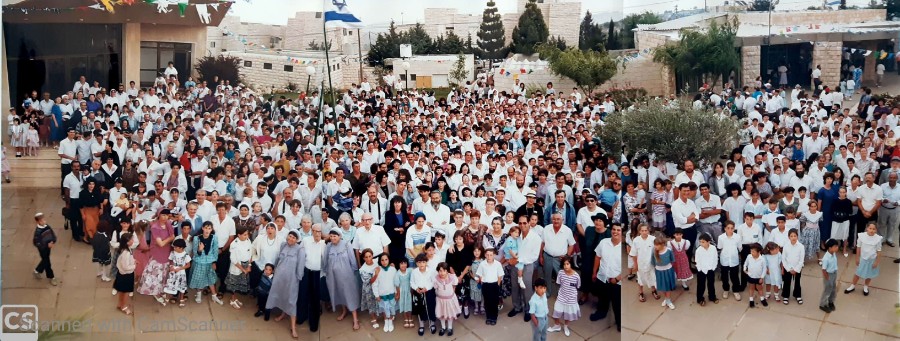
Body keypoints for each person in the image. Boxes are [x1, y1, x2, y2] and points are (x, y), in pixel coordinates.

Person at [266, 230, 306, 338]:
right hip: (279, 277)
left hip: (292, 279)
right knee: (280, 295)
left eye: (294, 237)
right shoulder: (283, 245)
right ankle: (282, 314)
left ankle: (293, 327)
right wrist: (273, 269)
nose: (291, 239)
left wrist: (298, 278)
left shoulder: (300, 250)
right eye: (290, 236)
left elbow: (300, 266)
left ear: (297, 239)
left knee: (291, 300)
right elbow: (278, 259)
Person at [323, 227, 361, 330]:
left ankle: (355, 318)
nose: (332, 238)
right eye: (331, 236)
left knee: (349, 294)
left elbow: (352, 260)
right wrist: (326, 272)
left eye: (334, 236)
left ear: (339, 236)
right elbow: (325, 260)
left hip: (346, 275)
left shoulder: (346, 245)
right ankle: (344, 311)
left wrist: (354, 272)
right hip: (333, 276)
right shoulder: (328, 246)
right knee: (339, 293)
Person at [139, 209, 175, 303]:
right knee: (156, 274)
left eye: (167, 215)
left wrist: (170, 238)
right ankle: (155, 292)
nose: (165, 217)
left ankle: (161, 290)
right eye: (163, 215)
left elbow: (172, 236)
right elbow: (161, 243)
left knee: (164, 273)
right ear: (159, 215)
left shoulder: (168, 224)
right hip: (157, 253)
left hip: (167, 252)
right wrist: (170, 238)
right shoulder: (155, 227)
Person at [844, 222, 882, 296]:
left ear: (876, 230)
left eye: (874, 229)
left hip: (872, 260)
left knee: (869, 274)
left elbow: (879, 251)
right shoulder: (862, 236)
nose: (872, 230)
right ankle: (852, 286)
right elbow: (858, 248)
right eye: (870, 228)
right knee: (858, 273)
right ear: (867, 229)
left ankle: (866, 286)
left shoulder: (878, 239)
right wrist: (857, 258)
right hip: (863, 259)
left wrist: (877, 262)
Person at [189, 221, 222, 304]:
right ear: (203, 228)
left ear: (211, 229)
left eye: (209, 228)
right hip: (199, 262)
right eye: (206, 228)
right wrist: (200, 250)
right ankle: (198, 295)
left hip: (210, 262)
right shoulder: (197, 238)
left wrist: (214, 262)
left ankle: (214, 296)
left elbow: (215, 251)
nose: (207, 230)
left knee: (210, 279)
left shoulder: (214, 237)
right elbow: (195, 254)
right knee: (199, 279)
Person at [547, 256, 580, 336]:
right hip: (561, 297)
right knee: (556, 312)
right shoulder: (561, 273)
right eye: (564, 264)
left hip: (571, 299)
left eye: (568, 264)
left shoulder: (576, 276)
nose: (566, 266)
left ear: (571, 264)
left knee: (568, 315)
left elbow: (577, 286)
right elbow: (559, 283)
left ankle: (566, 326)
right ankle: (557, 325)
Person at [475, 248, 504, 326]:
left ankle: (494, 317)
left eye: (491, 255)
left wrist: (497, 284)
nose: (489, 256)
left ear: (494, 255)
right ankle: (488, 317)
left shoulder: (498, 264)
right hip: (486, 285)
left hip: (494, 285)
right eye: (487, 255)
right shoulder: (482, 264)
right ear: (485, 255)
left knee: (494, 301)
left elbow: (500, 275)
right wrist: (482, 282)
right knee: (487, 301)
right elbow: (480, 274)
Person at [226, 228, 253, 309]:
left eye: (247, 234)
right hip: (237, 267)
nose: (246, 236)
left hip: (246, 265)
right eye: (244, 234)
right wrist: (243, 269)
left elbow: (250, 253)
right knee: (234, 284)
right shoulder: (234, 244)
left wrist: (249, 265)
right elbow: (234, 260)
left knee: (239, 284)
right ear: (239, 235)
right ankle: (232, 300)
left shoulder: (248, 240)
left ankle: (235, 298)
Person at [630, 223, 657, 302]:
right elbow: (634, 254)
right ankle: (641, 292)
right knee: (640, 279)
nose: (644, 232)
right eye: (642, 231)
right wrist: (636, 265)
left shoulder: (653, 239)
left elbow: (657, 251)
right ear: (639, 231)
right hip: (640, 263)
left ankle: (654, 291)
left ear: (649, 231)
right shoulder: (636, 240)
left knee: (652, 277)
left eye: (646, 230)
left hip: (651, 263)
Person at [161, 238, 191, 307]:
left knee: (181, 286)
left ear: (181, 248)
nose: (174, 248)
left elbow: (188, 265)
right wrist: (170, 267)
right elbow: (170, 261)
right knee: (170, 284)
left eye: (175, 247)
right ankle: (167, 298)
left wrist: (180, 268)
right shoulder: (173, 253)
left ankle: (181, 299)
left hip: (181, 273)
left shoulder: (185, 255)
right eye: (174, 247)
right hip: (173, 272)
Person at [433, 261, 461, 336]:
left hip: (449, 300)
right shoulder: (436, 279)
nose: (442, 273)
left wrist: (451, 294)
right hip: (440, 300)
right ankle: (443, 327)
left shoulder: (452, 277)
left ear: (447, 271)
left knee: (449, 314)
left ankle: (449, 327)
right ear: (438, 271)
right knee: (441, 314)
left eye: (444, 270)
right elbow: (435, 287)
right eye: (440, 271)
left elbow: (454, 285)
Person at [32, 212, 59, 286]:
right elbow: (36, 243)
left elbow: (52, 235)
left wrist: (53, 241)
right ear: (38, 222)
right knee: (47, 262)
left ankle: (37, 270)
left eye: (44, 219)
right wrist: (46, 245)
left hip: (48, 248)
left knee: (45, 261)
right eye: (41, 220)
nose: (44, 221)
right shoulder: (38, 232)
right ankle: (51, 277)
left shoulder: (47, 226)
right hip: (43, 249)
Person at [373, 253, 398, 332]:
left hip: (391, 293)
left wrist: (397, 292)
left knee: (390, 308)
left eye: (386, 259)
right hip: (382, 294)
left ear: (389, 260)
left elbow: (396, 282)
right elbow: (375, 284)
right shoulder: (377, 270)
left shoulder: (393, 269)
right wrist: (376, 295)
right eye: (382, 260)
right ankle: (386, 321)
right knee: (384, 308)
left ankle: (390, 321)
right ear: (380, 261)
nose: (384, 262)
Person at [114, 232, 136, 315]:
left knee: (121, 291)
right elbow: (126, 266)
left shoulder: (125, 249)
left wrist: (133, 261)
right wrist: (134, 266)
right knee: (126, 292)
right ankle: (124, 306)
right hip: (126, 275)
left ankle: (120, 304)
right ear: (127, 242)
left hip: (122, 274)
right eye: (131, 240)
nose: (133, 241)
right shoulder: (126, 253)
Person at [781, 228, 805, 305]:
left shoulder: (801, 246)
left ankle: (797, 295)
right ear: (789, 237)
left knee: (797, 282)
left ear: (797, 237)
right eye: (791, 236)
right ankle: (786, 296)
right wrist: (788, 269)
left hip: (797, 268)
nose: (793, 237)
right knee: (787, 282)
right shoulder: (786, 246)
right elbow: (783, 259)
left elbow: (801, 260)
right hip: (788, 268)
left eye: (795, 236)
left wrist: (796, 269)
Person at [358, 248, 380, 330]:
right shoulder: (363, 269)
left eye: (369, 256)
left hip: (377, 286)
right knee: (371, 304)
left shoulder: (376, 261)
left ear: (372, 256)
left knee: (378, 302)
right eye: (366, 257)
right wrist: (376, 275)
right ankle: (373, 319)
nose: (368, 258)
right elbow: (369, 281)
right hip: (369, 288)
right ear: (363, 258)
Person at [694, 233, 719, 306]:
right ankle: (700, 299)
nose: (701, 243)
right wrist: (699, 269)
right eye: (700, 242)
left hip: (710, 269)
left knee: (711, 284)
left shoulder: (713, 248)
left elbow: (715, 258)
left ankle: (712, 297)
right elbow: (697, 261)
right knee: (701, 285)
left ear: (708, 242)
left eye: (703, 242)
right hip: (702, 270)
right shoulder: (698, 250)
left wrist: (713, 267)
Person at [743, 243, 768, 308]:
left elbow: (764, 269)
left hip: (758, 277)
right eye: (751, 251)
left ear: (759, 252)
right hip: (751, 276)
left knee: (760, 289)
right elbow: (745, 263)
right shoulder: (749, 256)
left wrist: (762, 277)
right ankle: (751, 300)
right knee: (751, 288)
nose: (751, 253)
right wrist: (744, 269)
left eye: (753, 251)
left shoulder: (762, 259)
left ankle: (762, 299)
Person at [819, 239, 840, 312]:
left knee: (833, 289)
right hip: (828, 275)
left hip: (834, 273)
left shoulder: (833, 253)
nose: (837, 248)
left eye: (837, 246)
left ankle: (831, 301)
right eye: (835, 246)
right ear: (830, 248)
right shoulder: (826, 258)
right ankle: (823, 304)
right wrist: (827, 278)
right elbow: (823, 269)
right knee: (827, 290)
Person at [395, 258, 414, 328]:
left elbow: (412, 280)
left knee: (409, 305)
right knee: (403, 305)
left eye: (405, 263)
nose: (403, 265)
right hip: (402, 291)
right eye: (401, 263)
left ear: (407, 264)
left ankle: (410, 318)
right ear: (399, 265)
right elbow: (397, 284)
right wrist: (398, 294)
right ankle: (406, 318)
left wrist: (412, 291)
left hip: (409, 290)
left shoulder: (410, 271)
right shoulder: (397, 273)